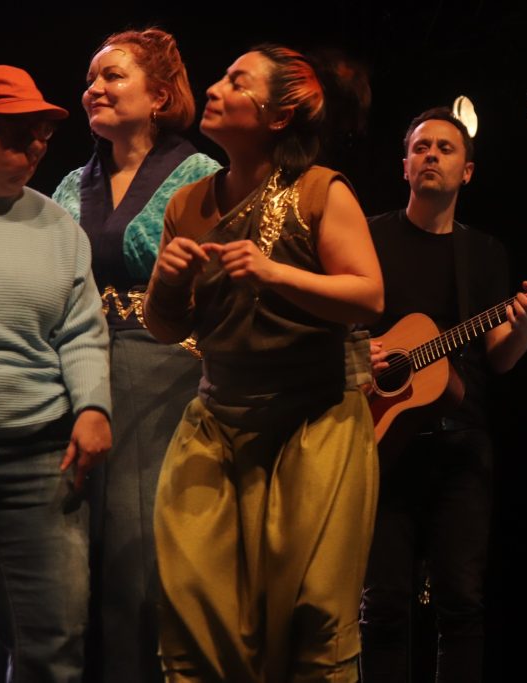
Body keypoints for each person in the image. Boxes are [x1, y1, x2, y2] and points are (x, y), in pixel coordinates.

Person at [143, 44, 383, 682]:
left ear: (278, 117)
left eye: (235, 81)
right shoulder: (187, 203)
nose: (215, 88)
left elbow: (369, 294)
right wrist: (166, 284)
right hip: (220, 422)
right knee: (194, 615)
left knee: (314, 619)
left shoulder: (318, 191)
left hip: (316, 422)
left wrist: (274, 272)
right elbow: (167, 328)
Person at [50, 28, 219, 683]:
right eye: (91, 77)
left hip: (167, 377)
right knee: (69, 562)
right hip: (77, 374)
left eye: (113, 76)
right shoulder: (71, 184)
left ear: (161, 95)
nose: (93, 88)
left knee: (140, 559)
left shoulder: (204, 177)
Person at [359, 107, 527, 683]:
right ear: (405, 165)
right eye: (421, 148)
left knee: (461, 602)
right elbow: (336, 320)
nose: (432, 155)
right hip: (381, 436)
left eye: (445, 148)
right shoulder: (368, 237)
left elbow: (499, 357)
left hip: (461, 442)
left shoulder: (483, 253)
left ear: (467, 171)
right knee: (383, 603)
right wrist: (357, 352)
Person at [0, 64, 111, 682]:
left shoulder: (57, 226)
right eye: (16, 134)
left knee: (54, 641)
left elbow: (83, 329)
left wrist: (92, 405)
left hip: (40, 457)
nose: (35, 147)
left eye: (39, 134)